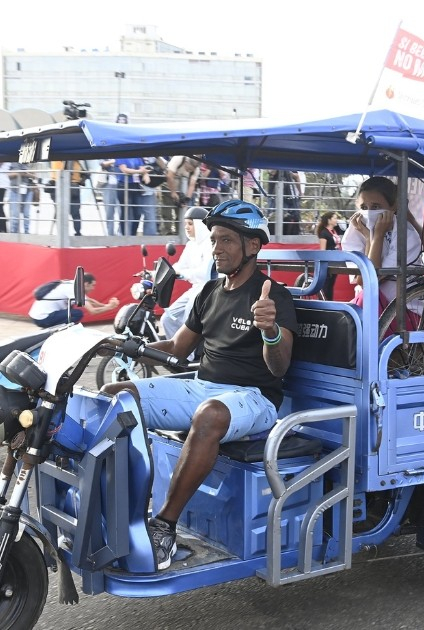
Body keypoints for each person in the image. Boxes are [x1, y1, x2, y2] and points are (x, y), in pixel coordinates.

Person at [101, 200, 298, 571]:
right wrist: (131, 349)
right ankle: (117, 509)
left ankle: (163, 527)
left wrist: (270, 330)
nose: (216, 248)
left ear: (252, 246)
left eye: (226, 240)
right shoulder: (208, 292)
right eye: (214, 239)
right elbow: (178, 348)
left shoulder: (273, 296)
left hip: (254, 399)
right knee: (115, 396)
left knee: (209, 415)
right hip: (203, 387)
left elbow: (279, 366)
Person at [341, 176, 424, 306]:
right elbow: (362, 280)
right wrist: (368, 238)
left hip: (403, 309)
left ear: (393, 207)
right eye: (364, 207)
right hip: (371, 305)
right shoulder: (356, 231)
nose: (369, 212)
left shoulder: (406, 234)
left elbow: (371, 279)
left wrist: (377, 236)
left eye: (376, 207)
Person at [161, 207, 215, 341]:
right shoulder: (191, 245)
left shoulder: (211, 243)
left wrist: (182, 274)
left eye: (190, 224)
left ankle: (187, 357)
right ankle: (175, 352)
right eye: (185, 224)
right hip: (195, 289)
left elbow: (204, 274)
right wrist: (164, 271)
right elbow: (180, 266)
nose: (187, 227)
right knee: (167, 318)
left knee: (188, 320)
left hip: (209, 289)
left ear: (201, 225)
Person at [28, 273, 119, 327]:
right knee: (77, 313)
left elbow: (89, 301)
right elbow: (92, 311)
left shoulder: (73, 283)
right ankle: (56, 332)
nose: (93, 288)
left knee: (72, 311)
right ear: (86, 284)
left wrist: (106, 305)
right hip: (43, 318)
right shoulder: (74, 289)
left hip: (38, 316)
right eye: (93, 285)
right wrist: (110, 307)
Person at [166, 156, 203, 234]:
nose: (189, 171)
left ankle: (180, 233)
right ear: (186, 162)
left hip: (181, 190)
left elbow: (192, 184)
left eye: (191, 170)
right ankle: (167, 232)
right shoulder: (178, 159)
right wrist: (173, 192)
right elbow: (169, 176)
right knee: (167, 212)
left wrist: (187, 199)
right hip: (168, 186)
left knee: (181, 213)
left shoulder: (196, 170)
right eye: (188, 168)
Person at [51, 160, 87, 236]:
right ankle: (63, 234)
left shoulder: (77, 161)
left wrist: (83, 177)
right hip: (59, 184)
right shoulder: (60, 159)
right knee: (62, 213)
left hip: (72, 186)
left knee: (74, 212)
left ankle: (75, 233)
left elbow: (82, 173)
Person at [314, 211, 341, 300]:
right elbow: (322, 250)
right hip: (329, 262)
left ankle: (329, 302)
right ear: (329, 220)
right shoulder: (324, 233)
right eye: (334, 218)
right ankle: (324, 302)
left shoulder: (334, 231)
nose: (336, 220)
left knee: (331, 284)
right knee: (326, 285)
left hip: (336, 261)